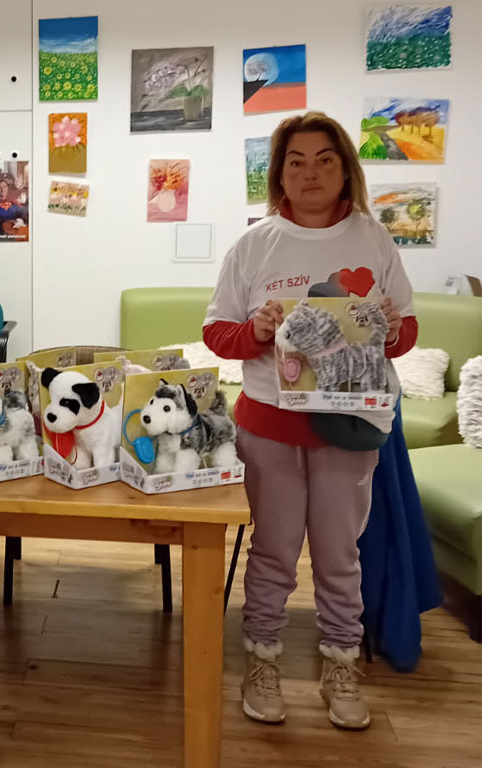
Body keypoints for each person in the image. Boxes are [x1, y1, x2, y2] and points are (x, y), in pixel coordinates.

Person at [203, 111, 417, 730]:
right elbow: (217, 332)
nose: (311, 173)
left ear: (344, 167)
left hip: (350, 426)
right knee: (271, 552)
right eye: (296, 161)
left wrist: (391, 327)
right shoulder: (255, 244)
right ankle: (262, 659)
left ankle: (340, 664)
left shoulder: (373, 238)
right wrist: (255, 331)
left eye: (324, 159)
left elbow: (405, 333)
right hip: (270, 424)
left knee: (339, 554)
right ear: (279, 174)